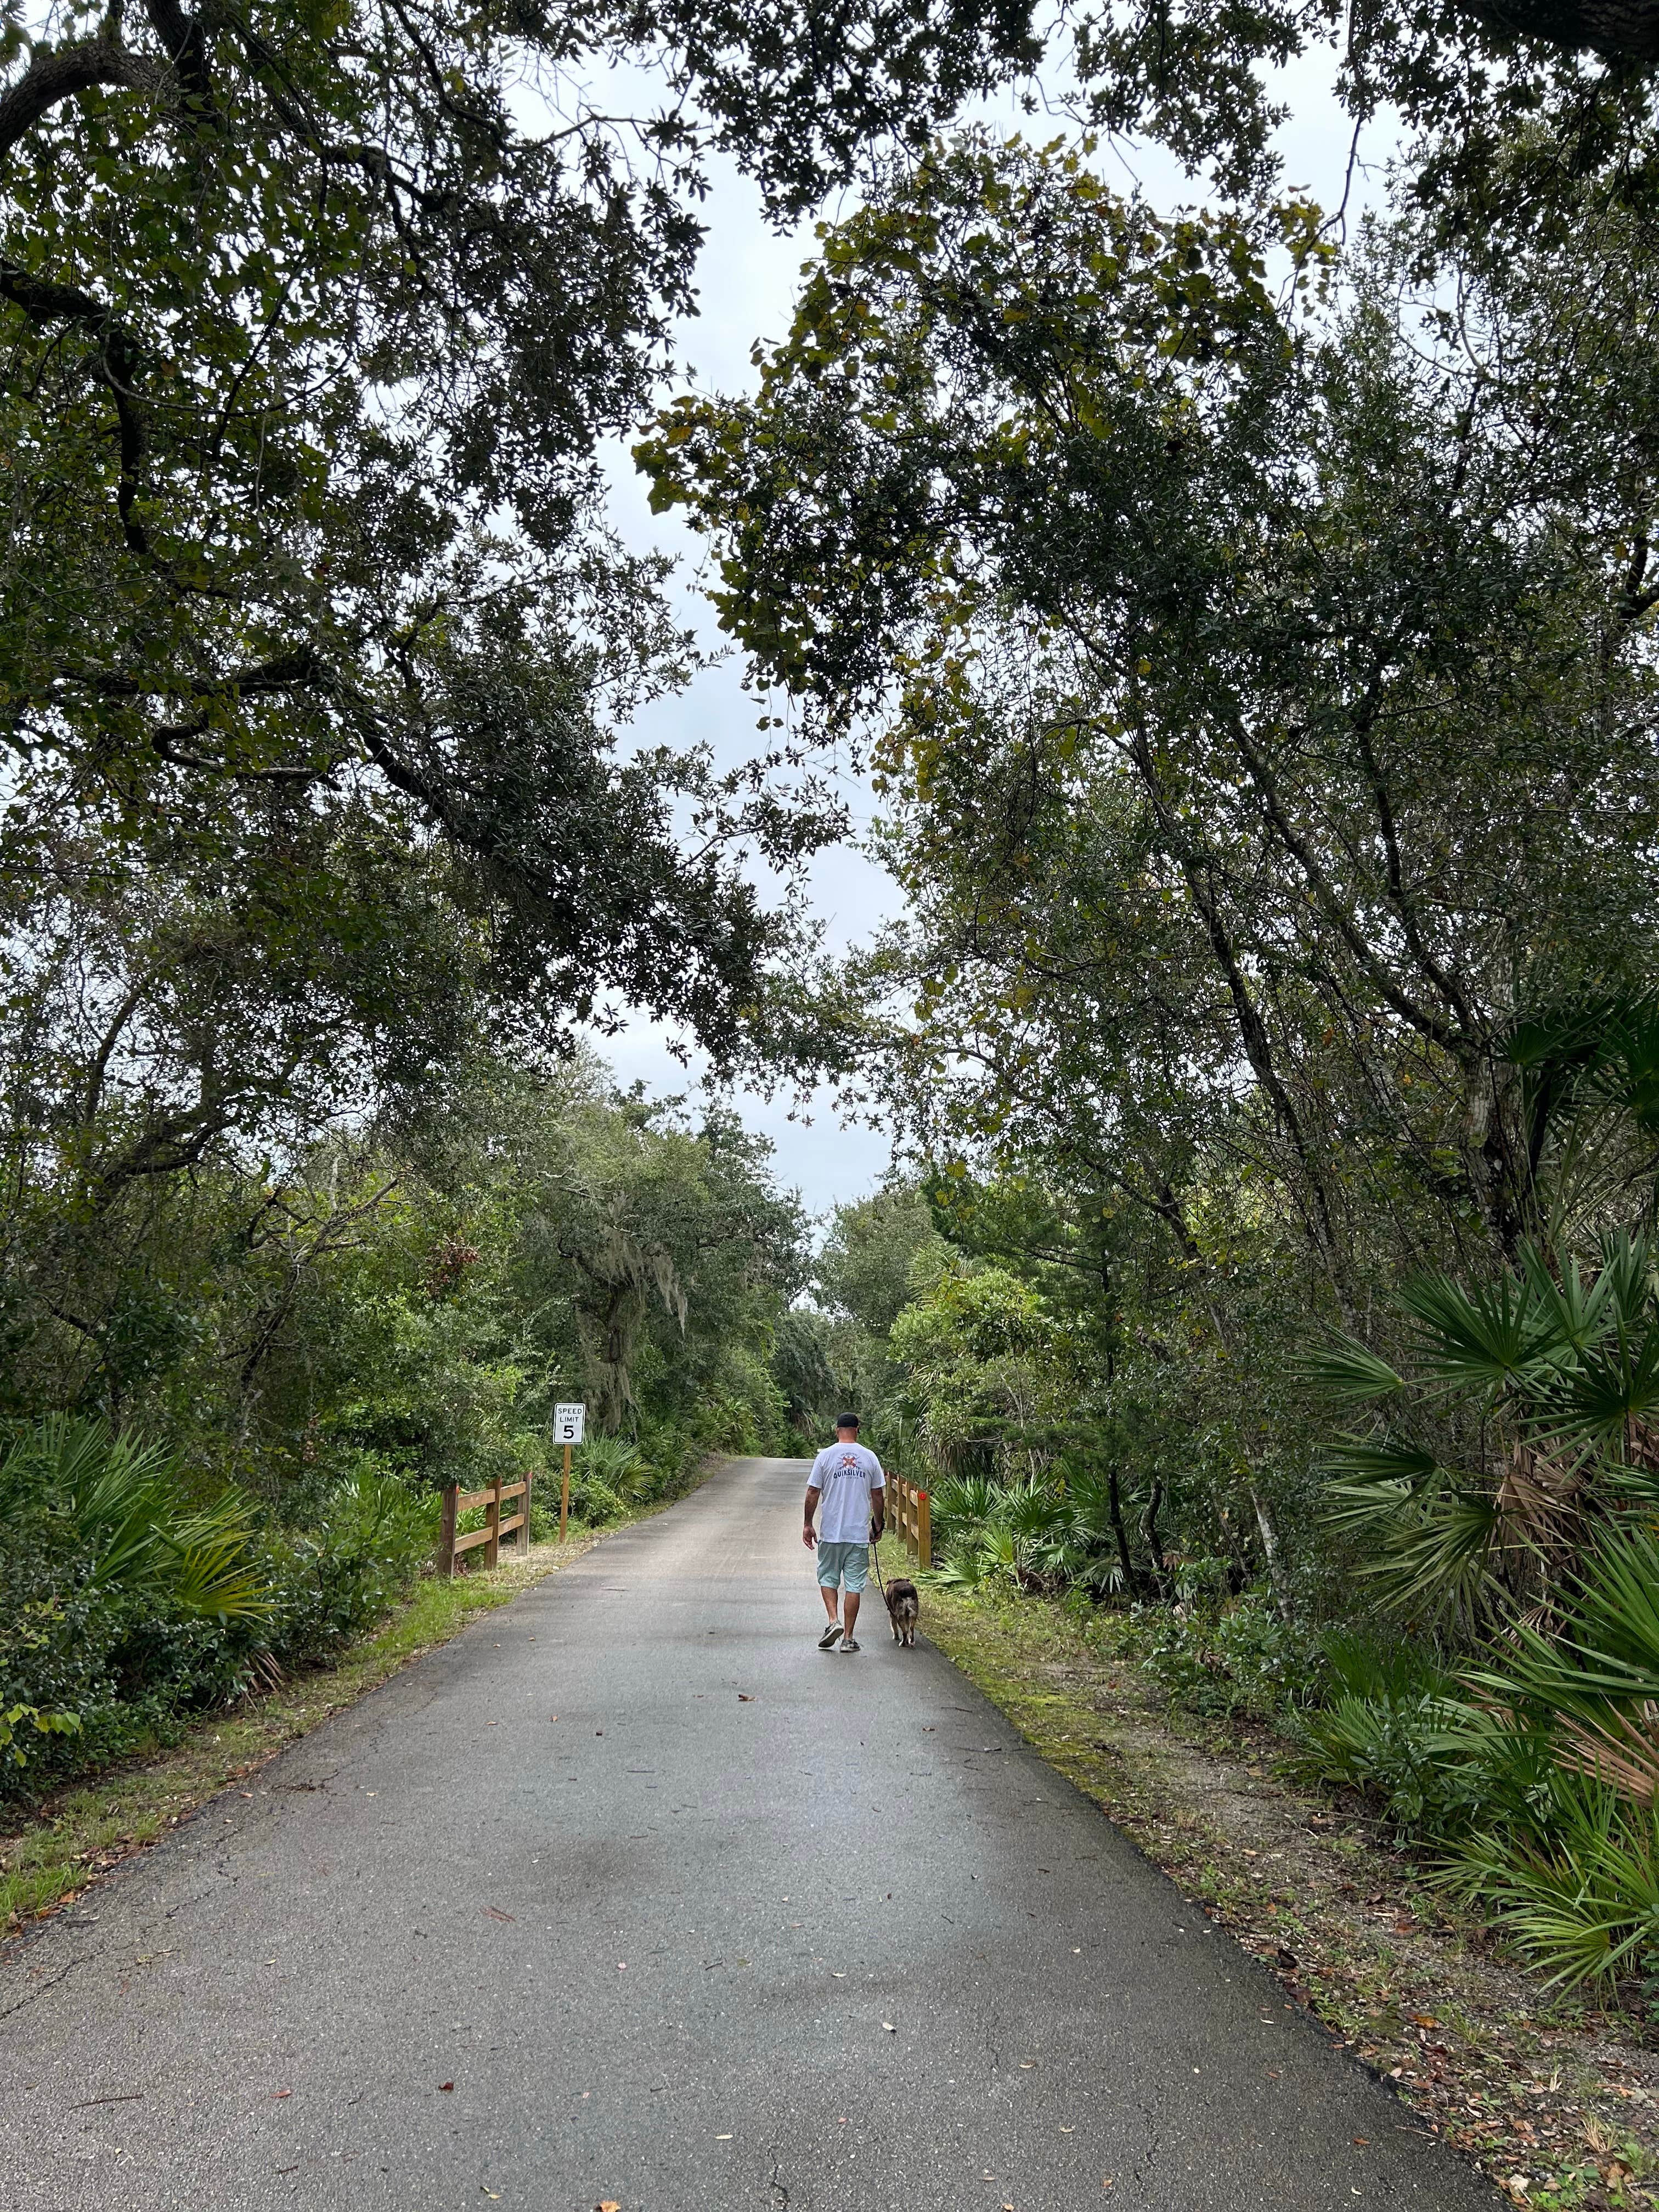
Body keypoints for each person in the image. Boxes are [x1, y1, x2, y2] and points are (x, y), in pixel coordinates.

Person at [803, 1413, 886, 1653]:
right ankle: (848, 1639)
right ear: (857, 1429)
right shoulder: (870, 1457)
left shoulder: (825, 1456)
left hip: (831, 1532)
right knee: (854, 1584)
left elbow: (812, 1492)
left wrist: (808, 1524)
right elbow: (878, 1495)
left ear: (837, 1429)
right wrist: (877, 1525)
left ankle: (833, 1622)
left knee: (828, 1577)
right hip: (858, 1534)